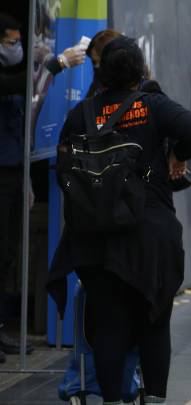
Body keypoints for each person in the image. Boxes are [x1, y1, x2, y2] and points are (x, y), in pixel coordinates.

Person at [49, 36, 191, 405]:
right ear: (141, 71)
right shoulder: (152, 106)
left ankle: (112, 400)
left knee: (108, 326)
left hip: (95, 239)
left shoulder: (82, 114)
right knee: (154, 321)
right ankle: (154, 399)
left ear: (102, 72)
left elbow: (64, 167)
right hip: (149, 233)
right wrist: (178, 155)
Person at [0, 12, 85, 363]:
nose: (16, 48)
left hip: (14, 170)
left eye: (19, 41)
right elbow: (16, 85)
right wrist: (56, 63)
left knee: (8, 251)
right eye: (10, 42)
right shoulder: (10, 78)